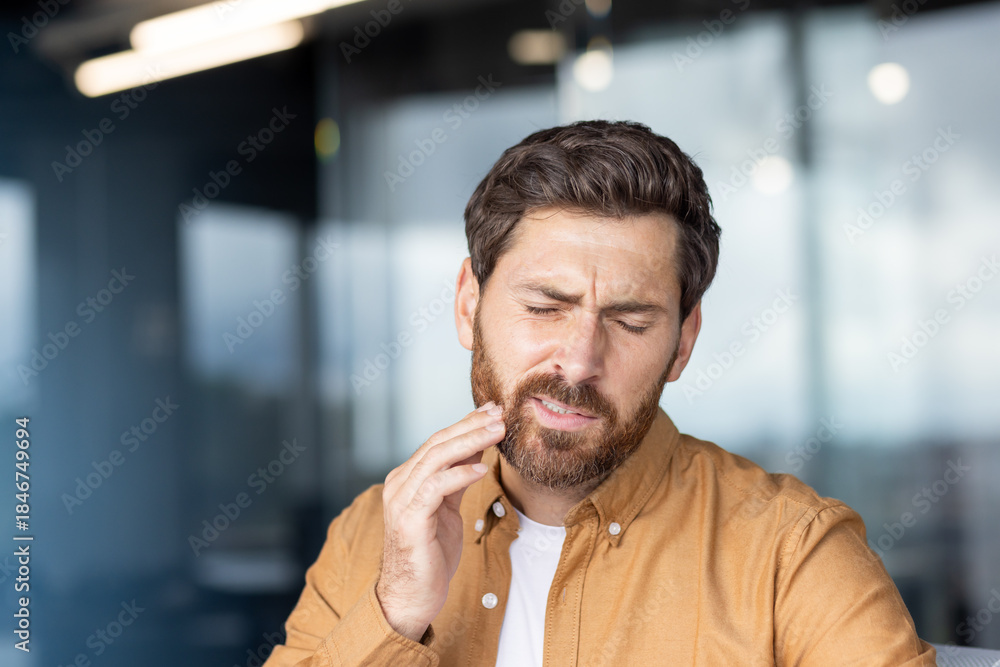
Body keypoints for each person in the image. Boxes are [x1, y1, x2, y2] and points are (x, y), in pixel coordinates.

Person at [263, 120, 936, 666]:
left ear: (683, 341)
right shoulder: (371, 535)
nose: (580, 361)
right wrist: (394, 614)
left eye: (629, 321)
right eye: (544, 308)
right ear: (469, 304)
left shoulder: (793, 554)